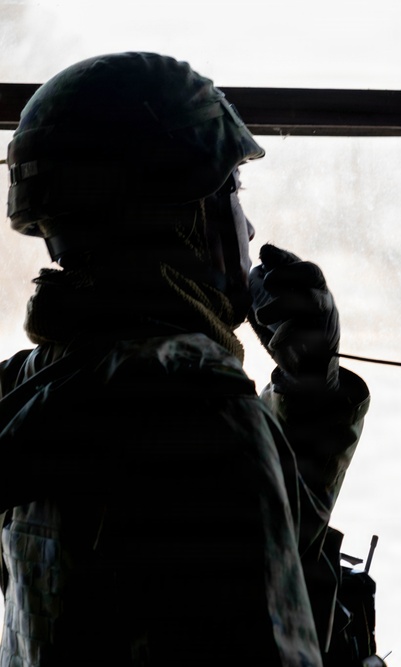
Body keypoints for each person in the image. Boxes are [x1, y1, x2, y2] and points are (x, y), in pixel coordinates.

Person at [0, 52, 376, 666]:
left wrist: (310, 394)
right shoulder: (204, 412)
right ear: (182, 215)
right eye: (231, 189)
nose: (248, 228)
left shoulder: (34, 389)